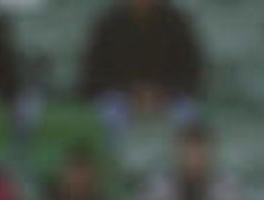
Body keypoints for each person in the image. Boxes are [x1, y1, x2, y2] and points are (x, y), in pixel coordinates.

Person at [78, 0, 204, 133]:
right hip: (120, 96)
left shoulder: (177, 22)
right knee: (109, 115)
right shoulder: (109, 22)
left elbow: (191, 68)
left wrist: (163, 93)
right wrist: (130, 93)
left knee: (187, 115)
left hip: (169, 96)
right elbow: (94, 70)